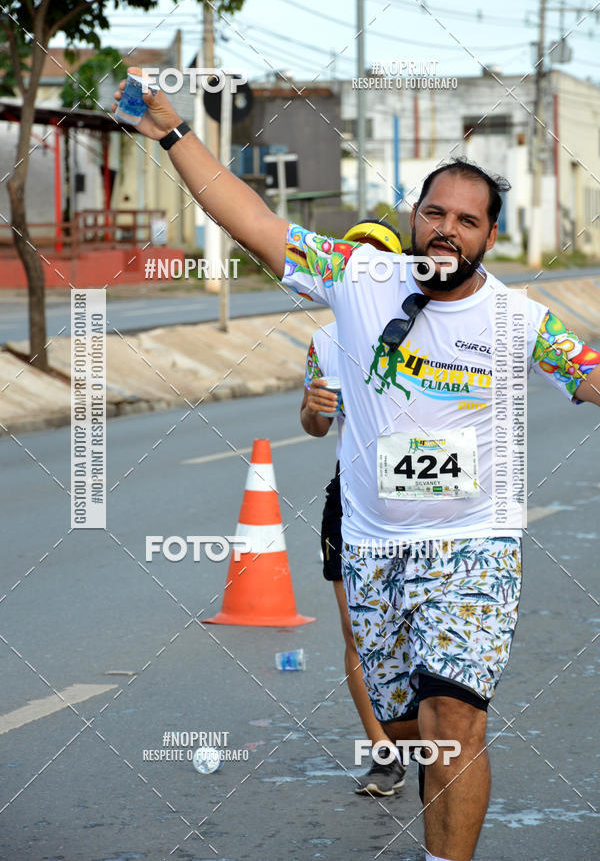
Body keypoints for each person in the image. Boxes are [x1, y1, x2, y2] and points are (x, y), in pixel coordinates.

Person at [114, 73, 600, 861]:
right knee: (412, 731)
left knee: (454, 721)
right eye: (434, 213)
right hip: (374, 550)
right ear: (415, 217)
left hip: (472, 548)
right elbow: (253, 220)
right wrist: (172, 132)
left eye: (466, 221)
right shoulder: (360, 277)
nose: (446, 230)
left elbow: (589, 371)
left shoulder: (518, 320)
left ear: (490, 237)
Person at [301, 220, 407, 796]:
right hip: (352, 495)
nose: (363, 269)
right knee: (357, 626)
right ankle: (385, 752)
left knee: (416, 626)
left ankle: (431, 732)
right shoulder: (323, 340)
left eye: (378, 260)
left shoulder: (426, 327)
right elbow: (314, 426)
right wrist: (315, 407)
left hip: (421, 496)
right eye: (354, 259)